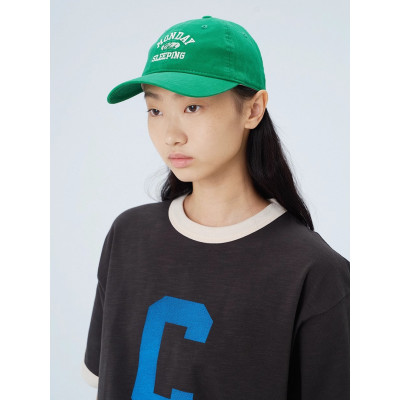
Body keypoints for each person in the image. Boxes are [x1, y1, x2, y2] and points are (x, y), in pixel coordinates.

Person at [81, 16, 350, 400]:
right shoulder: (128, 236)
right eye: (155, 111)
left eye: (193, 107)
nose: (171, 135)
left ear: (253, 110)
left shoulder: (315, 272)